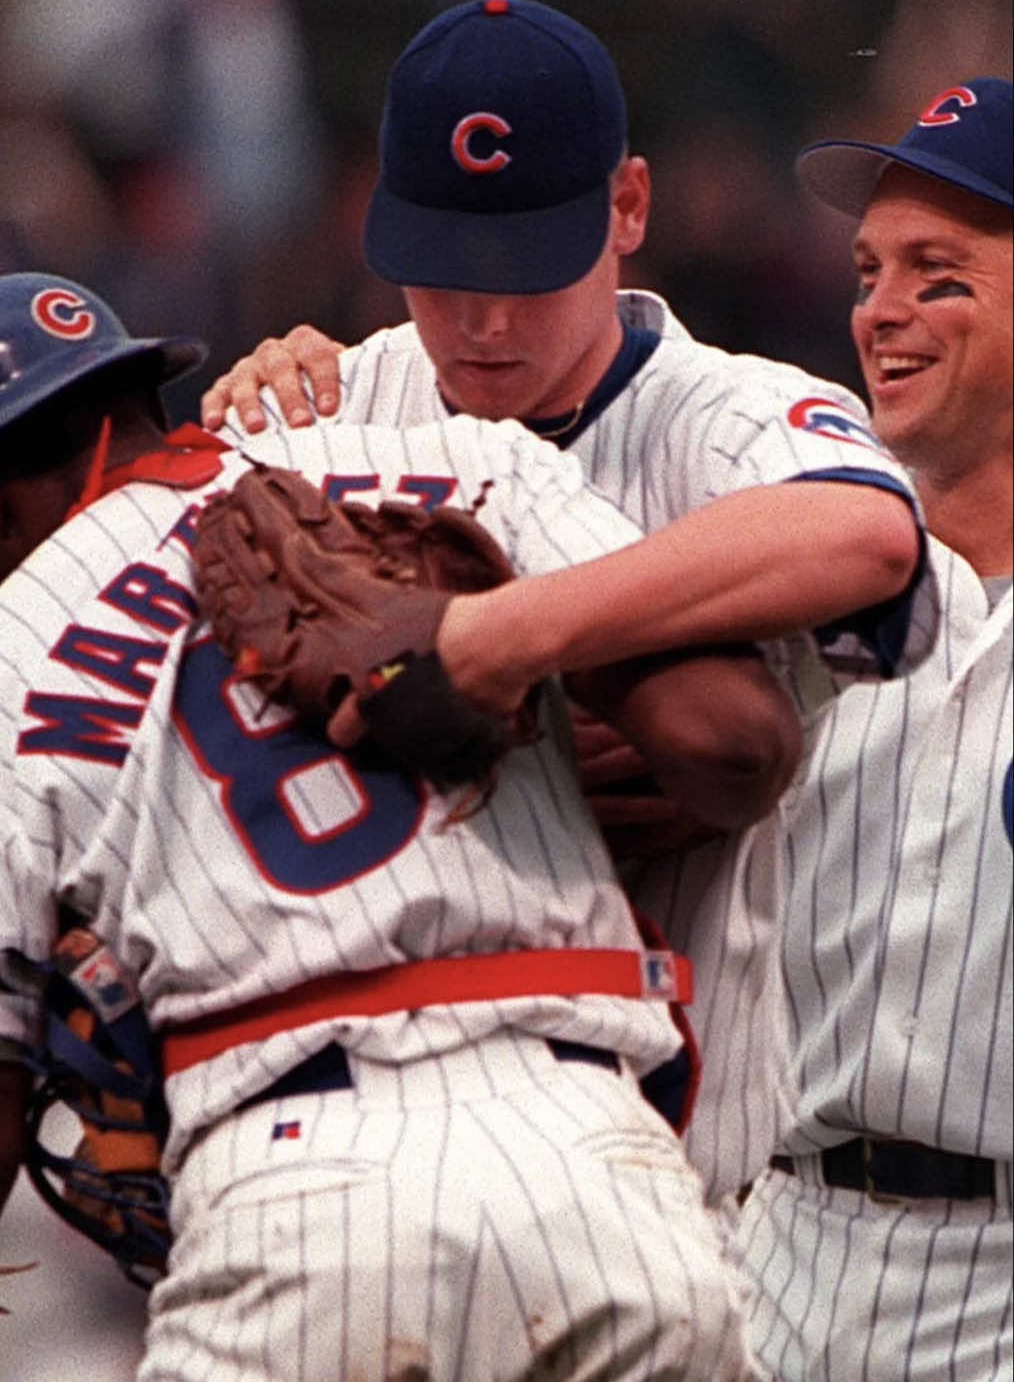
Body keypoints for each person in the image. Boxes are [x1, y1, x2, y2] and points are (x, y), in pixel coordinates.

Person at [0, 270, 823, 1381]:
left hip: (291, 1190)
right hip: (600, 1176)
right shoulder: (461, 458)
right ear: (136, 404)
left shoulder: (21, 634)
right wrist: (506, 687)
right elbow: (737, 746)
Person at [201, 0, 942, 1203]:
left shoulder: (725, 411)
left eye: (528, 270)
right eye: (447, 272)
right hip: (375, 1167)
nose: (487, 320)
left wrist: (496, 645)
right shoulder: (332, 406)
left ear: (629, 207)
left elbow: (864, 531)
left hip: (674, 1178)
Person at [730, 78, 1012, 1382]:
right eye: (865, 271)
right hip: (771, 1240)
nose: (878, 311)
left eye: (933, 272)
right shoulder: (775, 549)